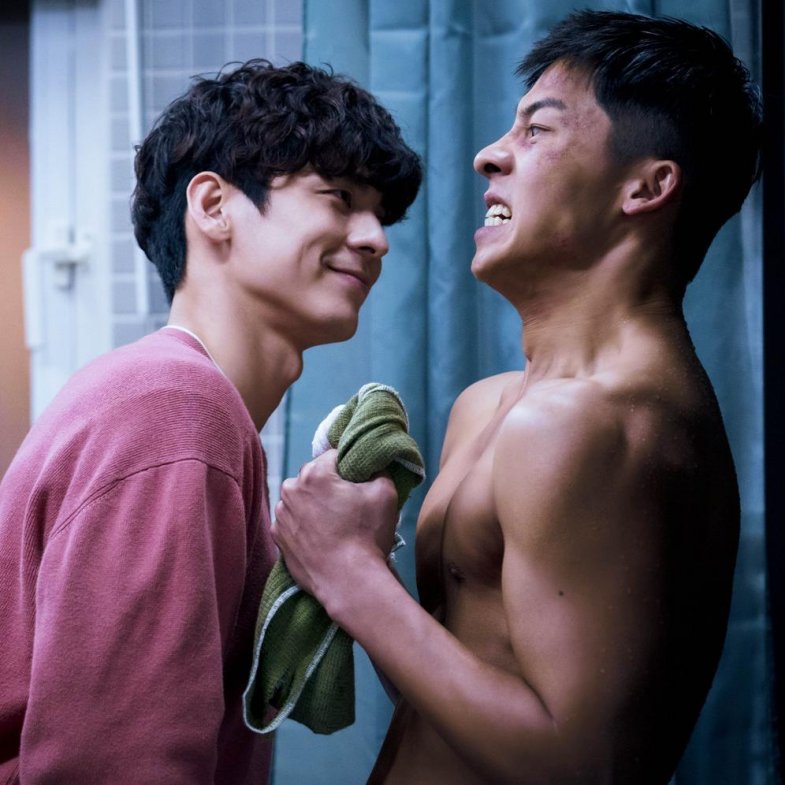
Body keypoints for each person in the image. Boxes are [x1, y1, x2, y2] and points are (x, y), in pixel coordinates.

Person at [271, 11, 762, 785]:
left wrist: (349, 575)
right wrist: (362, 564)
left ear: (645, 186)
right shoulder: (495, 405)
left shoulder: (592, 422)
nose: (488, 154)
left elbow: (579, 766)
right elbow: (458, 693)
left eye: (536, 130)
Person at [0, 60, 421, 784]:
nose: (375, 238)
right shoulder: (173, 407)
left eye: (380, 215)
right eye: (341, 198)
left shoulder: (180, 402)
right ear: (214, 205)